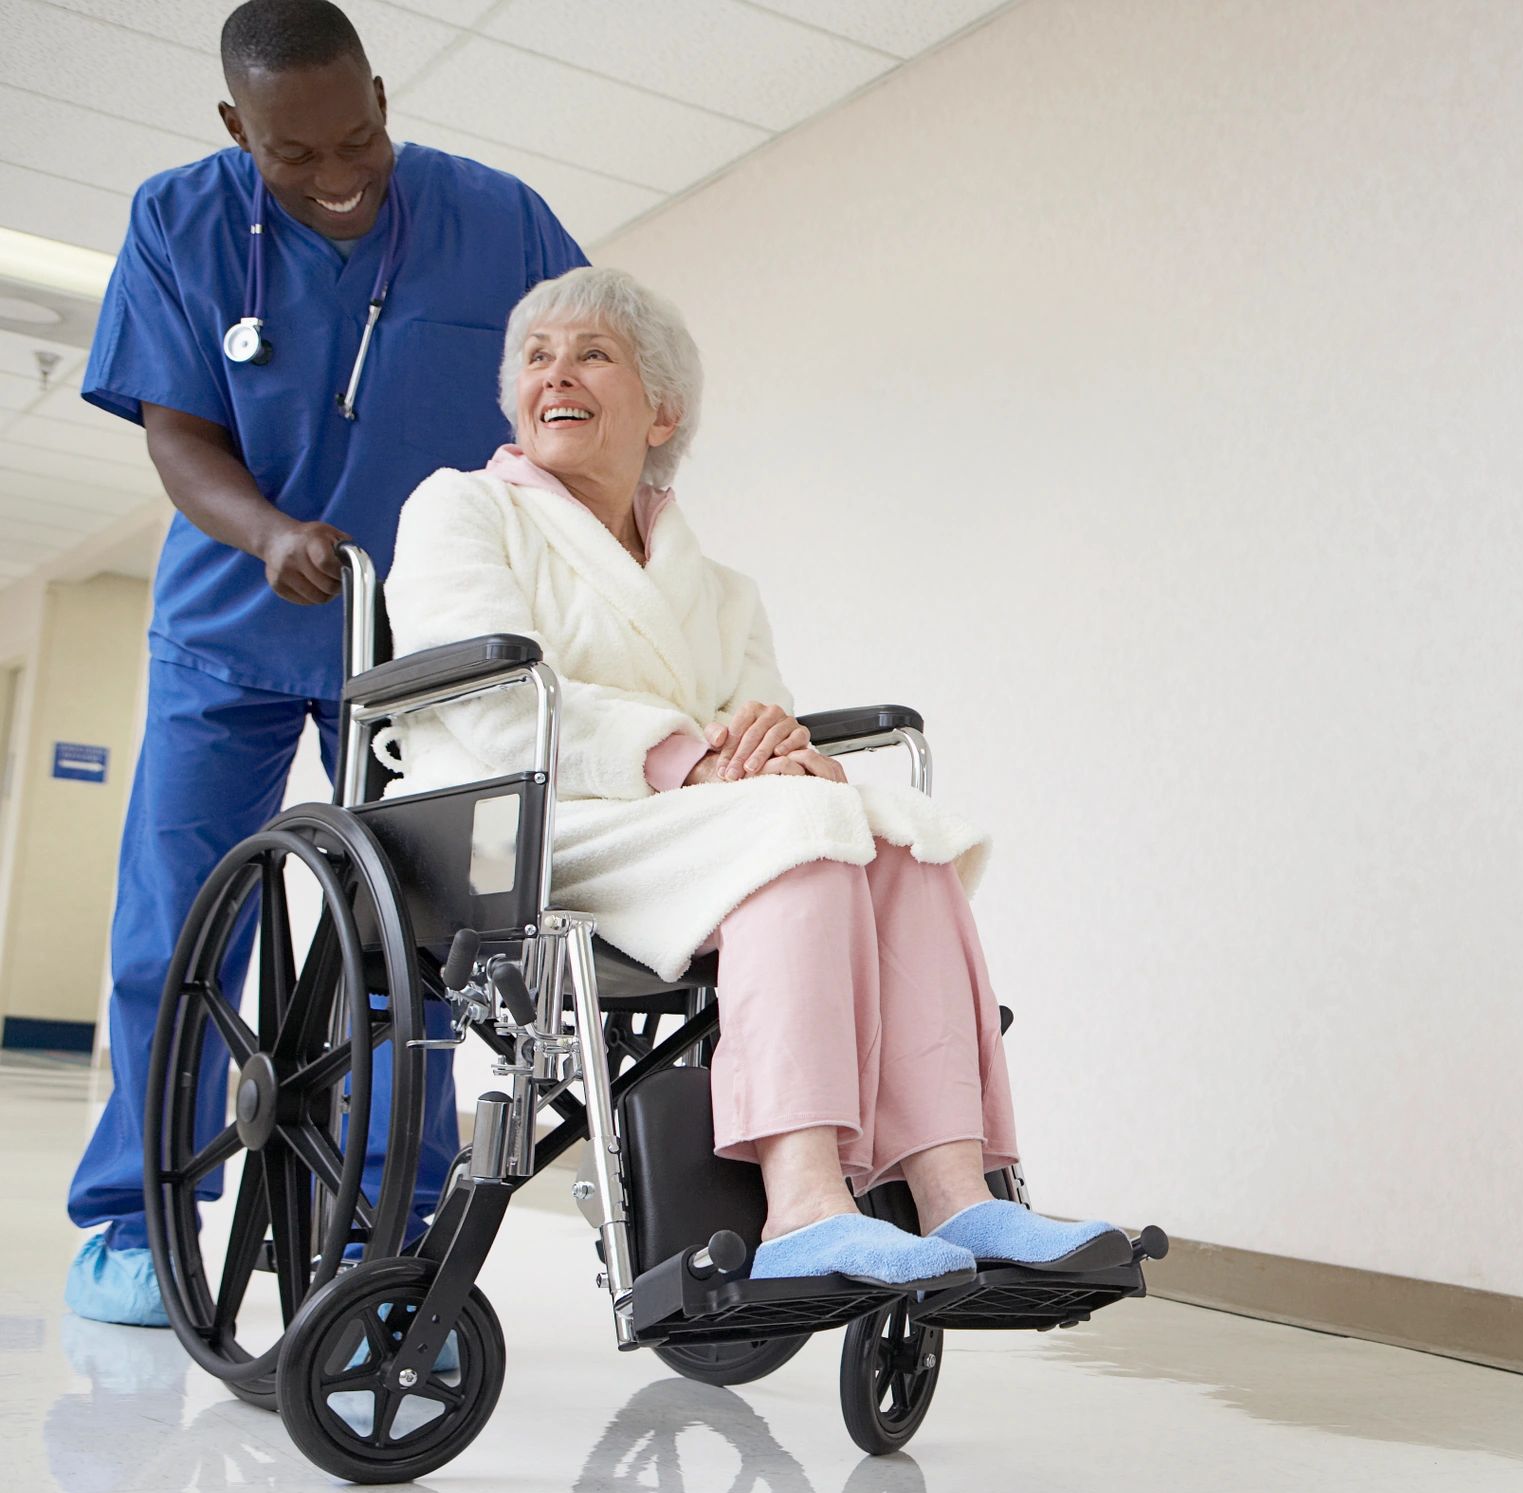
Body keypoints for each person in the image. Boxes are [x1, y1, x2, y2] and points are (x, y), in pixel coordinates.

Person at [386, 267, 1121, 1282]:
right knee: (801, 833)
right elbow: (490, 698)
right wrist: (691, 759)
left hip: (684, 834)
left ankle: (959, 1195)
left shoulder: (721, 590)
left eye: (592, 354)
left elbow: (754, 725)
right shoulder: (462, 511)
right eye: (537, 358)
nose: (555, 375)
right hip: (524, 825)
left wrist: (787, 752)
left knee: (900, 836)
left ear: (663, 411)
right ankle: (804, 1204)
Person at [66, 0, 589, 1325]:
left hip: (425, 647)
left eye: (360, 132)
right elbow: (177, 433)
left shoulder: (501, 220)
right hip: (234, 626)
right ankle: (138, 1216)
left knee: (414, 943)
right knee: (181, 923)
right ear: (238, 129)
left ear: (382, 93)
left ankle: (389, 1220)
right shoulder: (178, 222)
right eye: (296, 154)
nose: (340, 172)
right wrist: (267, 531)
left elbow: (569, 395)